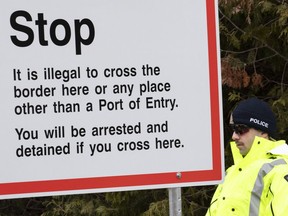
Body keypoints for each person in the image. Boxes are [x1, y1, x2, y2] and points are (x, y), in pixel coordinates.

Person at [206, 97, 288, 215]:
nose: (234, 136)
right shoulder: (232, 173)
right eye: (234, 129)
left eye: (241, 129)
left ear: (263, 132)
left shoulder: (280, 170)